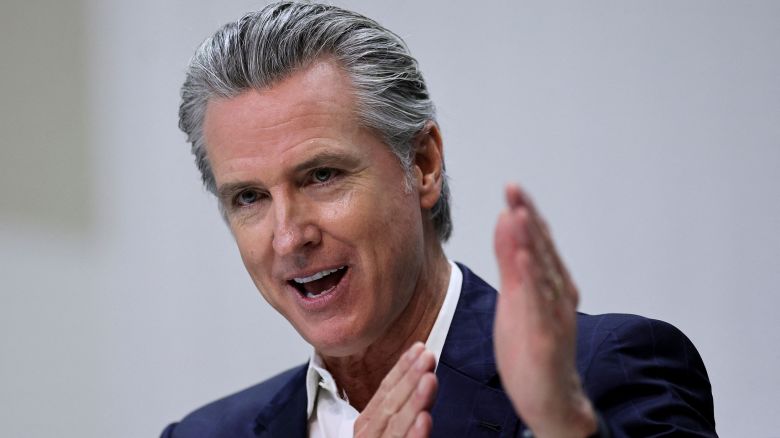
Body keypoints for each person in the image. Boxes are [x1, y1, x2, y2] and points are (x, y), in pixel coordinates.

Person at [162, 2, 717, 437]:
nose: (288, 237)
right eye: (250, 198)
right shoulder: (203, 433)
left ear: (423, 165)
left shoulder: (599, 376)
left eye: (322, 175)